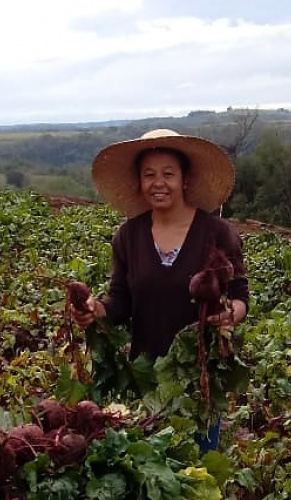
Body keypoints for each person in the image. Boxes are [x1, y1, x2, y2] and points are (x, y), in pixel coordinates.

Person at [69, 128, 249, 452]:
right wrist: (97, 310)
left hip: (199, 377)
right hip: (146, 377)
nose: (158, 183)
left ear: (185, 180)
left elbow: (240, 296)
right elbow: (121, 300)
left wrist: (229, 316)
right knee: (150, 469)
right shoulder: (127, 237)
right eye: (149, 174)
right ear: (139, 182)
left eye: (168, 174)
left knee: (196, 472)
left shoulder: (217, 233)